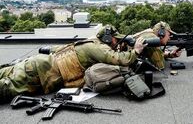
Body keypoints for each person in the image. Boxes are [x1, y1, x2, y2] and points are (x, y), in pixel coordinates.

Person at [0, 25, 146, 104]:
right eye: (115, 39)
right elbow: (120, 60)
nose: (117, 42)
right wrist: (136, 51)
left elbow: (56, 50)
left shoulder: (88, 42)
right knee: (4, 90)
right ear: (108, 39)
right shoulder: (97, 48)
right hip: (39, 73)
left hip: (34, 64)